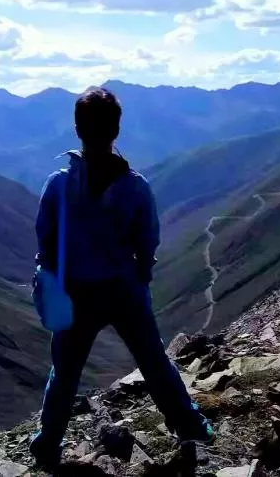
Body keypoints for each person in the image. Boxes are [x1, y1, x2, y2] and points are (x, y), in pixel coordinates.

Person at [29, 87, 213, 469]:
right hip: (123, 290)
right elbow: (147, 241)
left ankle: (47, 446)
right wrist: (140, 275)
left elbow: (44, 237)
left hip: (74, 293)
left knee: (64, 374)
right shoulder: (135, 187)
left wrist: (52, 274)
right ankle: (190, 426)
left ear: (78, 128)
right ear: (117, 129)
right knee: (154, 361)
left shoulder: (58, 185)